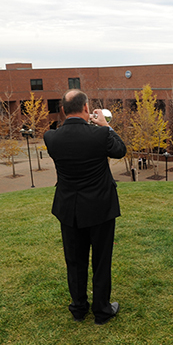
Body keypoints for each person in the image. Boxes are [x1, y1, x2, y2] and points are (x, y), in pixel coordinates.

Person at [44, 89, 127, 325]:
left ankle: (78, 308)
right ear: (87, 108)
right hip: (100, 209)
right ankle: (102, 311)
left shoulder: (51, 138)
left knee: (74, 261)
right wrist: (104, 125)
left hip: (68, 209)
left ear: (62, 110)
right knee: (101, 261)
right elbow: (120, 150)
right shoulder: (99, 135)